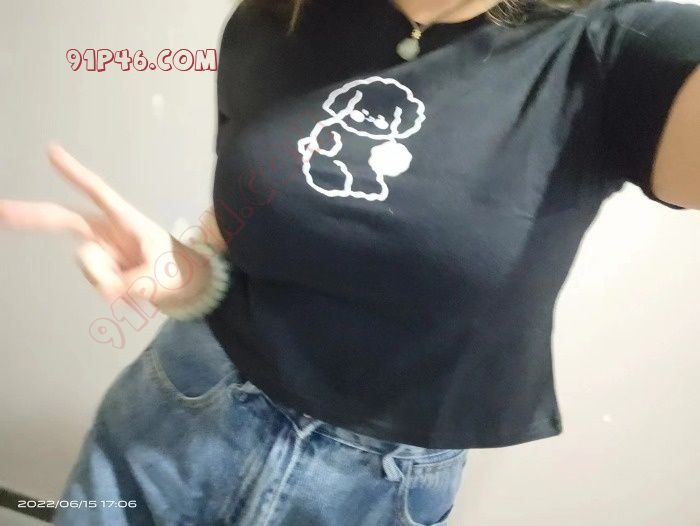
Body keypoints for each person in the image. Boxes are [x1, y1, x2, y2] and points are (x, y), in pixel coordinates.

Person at [1, 0, 698, 524]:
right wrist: (180, 273)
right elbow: (234, 239)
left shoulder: (617, 48)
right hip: (177, 411)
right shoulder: (277, 17)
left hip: (373, 492)